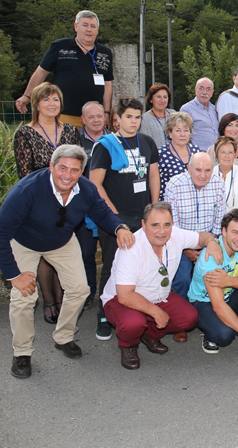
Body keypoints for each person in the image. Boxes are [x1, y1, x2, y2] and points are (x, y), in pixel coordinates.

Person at [0, 145, 135, 378]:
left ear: (82, 172)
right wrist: (14, 275)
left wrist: (119, 227)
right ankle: (22, 353)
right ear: (51, 166)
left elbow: (101, 212)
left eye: (75, 170)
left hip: (61, 242)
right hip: (25, 241)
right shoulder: (27, 190)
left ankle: (64, 336)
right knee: (24, 297)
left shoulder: (86, 189)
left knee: (80, 289)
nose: (67, 175)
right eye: (62, 168)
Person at [101, 202, 219, 370]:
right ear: (143, 224)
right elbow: (125, 296)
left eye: (167, 225)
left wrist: (212, 243)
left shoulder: (176, 235)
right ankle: (128, 346)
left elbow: (203, 237)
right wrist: (157, 312)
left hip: (159, 295)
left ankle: (150, 335)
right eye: (155, 225)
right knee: (133, 323)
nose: (162, 231)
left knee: (189, 317)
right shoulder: (131, 248)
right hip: (122, 300)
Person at [89, 97, 160, 341]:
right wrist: (113, 214)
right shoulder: (105, 145)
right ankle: (103, 315)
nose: (133, 121)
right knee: (112, 267)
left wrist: (153, 207)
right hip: (115, 220)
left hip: (142, 218)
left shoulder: (147, 142)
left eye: (137, 117)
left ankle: (136, 314)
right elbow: (95, 184)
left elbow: (153, 176)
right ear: (118, 118)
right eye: (128, 116)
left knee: (142, 269)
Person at [13, 83, 81, 324]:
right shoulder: (25, 133)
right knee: (43, 256)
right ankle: (50, 302)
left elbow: (78, 168)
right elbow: (25, 175)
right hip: (39, 202)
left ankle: (63, 299)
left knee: (61, 249)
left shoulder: (71, 131)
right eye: (46, 100)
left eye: (56, 99)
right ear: (36, 104)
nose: (52, 104)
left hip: (67, 199)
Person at [188, 209, 238, 365]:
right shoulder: (210, 257)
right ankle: (211, 332)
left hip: (229, 294)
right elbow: (218, 306)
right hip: (203, 302)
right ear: (224, 231)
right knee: (224, 335)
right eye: (234, 232)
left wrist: (228, 281)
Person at [164, 152, 225, 341]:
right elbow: (170, 225)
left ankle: (211, 316)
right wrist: (187, 249)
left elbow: (219, 220)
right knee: (182, 279)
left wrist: (209, 245)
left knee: (213, 276)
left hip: (209, 241)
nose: (203, 175)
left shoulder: (218, 184)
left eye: (207, 170)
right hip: (180, 243)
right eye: (198, 170)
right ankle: (180, 323)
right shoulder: (174, 185)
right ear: (188, 169)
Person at [15, 10, 112, 128]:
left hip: (94, 117)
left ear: (97, 29)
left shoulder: (105, 52)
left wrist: (106, 112)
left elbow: (107, 84)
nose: (89, 29)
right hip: (64, 114)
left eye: (93, 26)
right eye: (85, 25)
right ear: (76, 27)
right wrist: (27, 96)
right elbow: (41, 72)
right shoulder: (59, 47)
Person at [77, 101, 109, 307]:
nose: (96, 120)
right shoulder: (75, 142)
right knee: (85, 252)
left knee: (111, 254)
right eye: (91, 117)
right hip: (82, 207)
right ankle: (88, 293)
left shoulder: (114, 140)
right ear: (83, 120)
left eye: (99, 116)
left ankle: (109, 294)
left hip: (108, 206)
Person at [157, 112, 200, 200]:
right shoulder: (161, 154)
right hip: (169, 203)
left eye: (186, 130)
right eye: (178, 130)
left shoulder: (196, 151)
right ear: (170, 133)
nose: (182, 134)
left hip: (194, 202)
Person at [179, 77, 219, 151]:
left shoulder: (215, 109)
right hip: (198, 154)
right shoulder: (187, 109)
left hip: (216, 154)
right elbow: (183, 134)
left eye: (208, 89)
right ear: (195, 90)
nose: (204, 92)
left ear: (212, 92)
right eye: (201, 88)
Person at [139, 83, 174, 148]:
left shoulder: (174, 114)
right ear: (151, 99)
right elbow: (144, 142)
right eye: (158, 97)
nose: (162, 100)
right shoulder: (144, 119)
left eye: (165, 97)